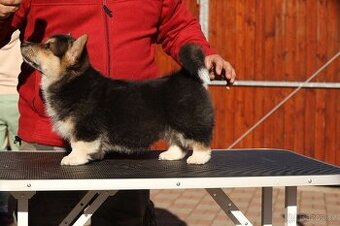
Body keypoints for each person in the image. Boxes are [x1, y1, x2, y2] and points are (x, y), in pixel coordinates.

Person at [0, 0, 236, 225]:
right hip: (50, 141)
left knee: (125, 220)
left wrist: (205, 53)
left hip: (130, 136)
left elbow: (177, 25)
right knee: (47, 219)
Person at [0, 29, 21, 226]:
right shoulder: (17, 25)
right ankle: (15, 209)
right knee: (20, 160)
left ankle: (2, 210)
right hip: (15, 97)